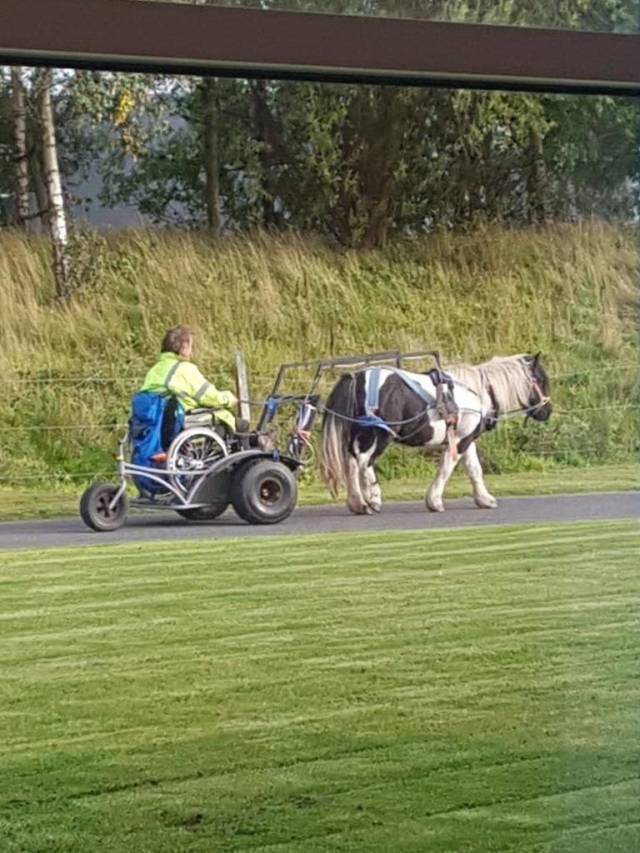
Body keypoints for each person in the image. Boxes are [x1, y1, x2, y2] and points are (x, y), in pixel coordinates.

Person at [140, 325, 249, 444]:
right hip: (182, 424)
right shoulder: (185, 369)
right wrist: (228, 399)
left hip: (157, 426)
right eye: (191, 346)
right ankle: (249, 461)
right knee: (240, 425)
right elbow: (209, 396)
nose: (192, 351)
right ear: (184, 348)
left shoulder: (154, 370)